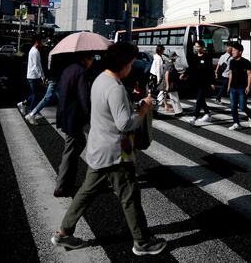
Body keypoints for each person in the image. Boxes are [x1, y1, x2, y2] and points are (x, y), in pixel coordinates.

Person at [50, 42, 167, 256]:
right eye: (131, 63)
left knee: (85, 193)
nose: (131, 67)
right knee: (130, 196)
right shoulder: (114, 87)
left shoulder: (100, 79)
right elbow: (124, 124)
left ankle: (63, 233)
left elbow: (110, 112)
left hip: (98, 148)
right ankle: (142, 242)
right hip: (116, 152)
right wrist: (143, 109)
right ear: (123, 64)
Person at [54, 52, 95, 197]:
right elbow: (83, 97)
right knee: (71, 150)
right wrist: (90, 115)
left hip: (64, 113)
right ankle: (61, 185)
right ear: (85, 59)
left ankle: (65, 175)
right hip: (73, 116)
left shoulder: (68, 69)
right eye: (92, 58)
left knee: (77, 144)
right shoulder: (82, 72)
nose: (93, 61)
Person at [183, 40, 215, 126]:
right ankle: (208, 114)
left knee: (198, 100)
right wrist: (184, 74)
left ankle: (194, 117)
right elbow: (190, 68)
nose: (196, 48)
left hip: (204, 82)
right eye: (195, 46)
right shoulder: (194, 57)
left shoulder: (207, 57)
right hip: (195, 82)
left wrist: (212, 82)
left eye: (197, 46)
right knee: (201, 99)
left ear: (202, 47)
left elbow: (210, 70)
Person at [18, 36, 46, 123]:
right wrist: (42, 77)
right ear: (37, 42)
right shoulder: (34, 52)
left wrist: (42, 76)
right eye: (42, 41)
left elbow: (38, 65)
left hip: (34, 76)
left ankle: (23, 104)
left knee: (35, 94)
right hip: (33, 76)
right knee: (35, 94)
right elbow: (36, 66)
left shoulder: (34, 50)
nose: (43, 43)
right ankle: (31, 113)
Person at [227, 42, 251, 130]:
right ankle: (236, 123)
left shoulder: (246, 62)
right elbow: (230, 74)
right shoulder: (231, 61)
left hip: (242, 88)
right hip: (233, 88)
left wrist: (248, 86)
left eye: (234, 50)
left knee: (242, 106)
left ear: (240, 52)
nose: (232, 52)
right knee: (233, 107)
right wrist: (228, 85)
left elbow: (249, 74)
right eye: (232, 50)